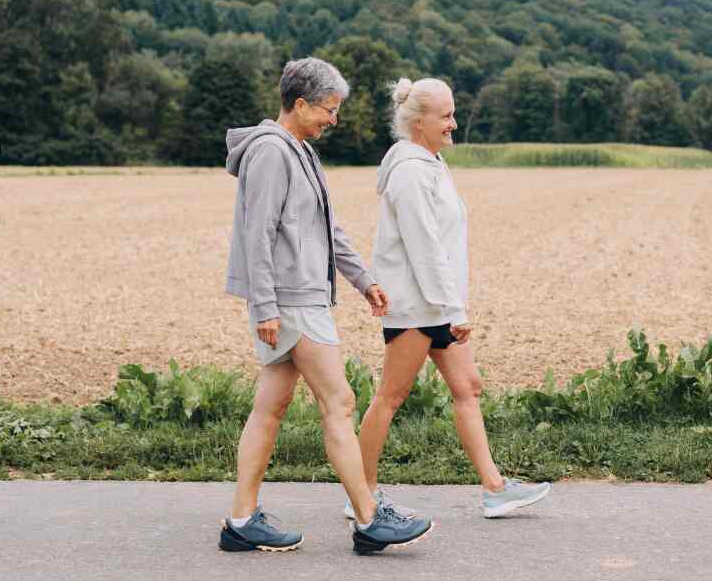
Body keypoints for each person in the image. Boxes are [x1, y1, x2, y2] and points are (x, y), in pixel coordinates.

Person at [219, 58, 433, 555]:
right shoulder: (273, 152)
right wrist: (267, 306)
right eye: (328, 110)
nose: (333, 119)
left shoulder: (301, 152)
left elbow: (327, 229)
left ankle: (241, 520)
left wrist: (363, 279)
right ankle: (368, 518)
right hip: (292, 301)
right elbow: (259, 235)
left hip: (299, 298)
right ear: (299, 104)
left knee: (269, 408)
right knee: (339, 403)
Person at [351, 76, 550, 520]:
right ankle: (360, 494)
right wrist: (454, 308)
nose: (453, 123)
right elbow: (424, 248)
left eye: (452, 113)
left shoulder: (432, 163)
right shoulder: (407, 171)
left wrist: (452, 304)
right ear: (418, 121)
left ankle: (495, 489)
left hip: (437, 303)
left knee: (468, 387)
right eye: (445, 115)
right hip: (416, 305)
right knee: (391, 397)